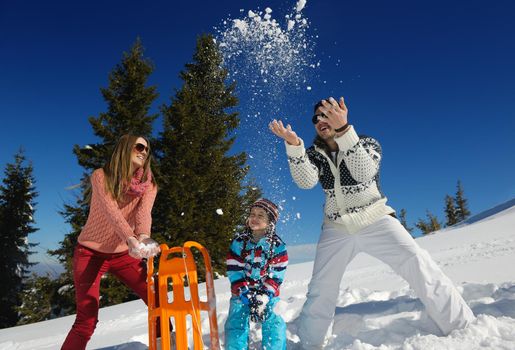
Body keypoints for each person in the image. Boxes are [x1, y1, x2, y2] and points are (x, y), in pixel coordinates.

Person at [269, 97, 475, 349]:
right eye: (316, 118)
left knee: (419, 265)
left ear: (340, 115)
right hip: (336, 229)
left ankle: (463, 327)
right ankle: (310, 344)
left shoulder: (366, 142)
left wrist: (345, 132)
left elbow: (363, 172)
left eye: (327, 114)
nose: (321, 120)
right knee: (321, 288)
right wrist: (294, 145)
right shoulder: (314, 154)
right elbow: (305, 181)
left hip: (376, 219)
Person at [61, 134, 160, 350]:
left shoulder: (148, 185)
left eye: (147, 149)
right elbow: (111, 213)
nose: (144, 151)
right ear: (126, 147)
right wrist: (131, 238)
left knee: (157, 299)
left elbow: (144, 215)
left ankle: (169, 345)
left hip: (123, 255)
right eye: (140, 146)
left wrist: (143, 236)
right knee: (86, 320)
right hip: (89, 254)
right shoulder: (101, 176)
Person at [224, 198, 289, 350]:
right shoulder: (239, 243)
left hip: (268, 294)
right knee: (236, 324)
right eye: (252, 214)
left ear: (270, 222)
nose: (254, 218)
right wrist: (243, 292)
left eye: (260, 215)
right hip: (242, 292)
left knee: (274, 323)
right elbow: (234, 270)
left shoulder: (277, 246)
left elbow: (277, 274)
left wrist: (264, 296)